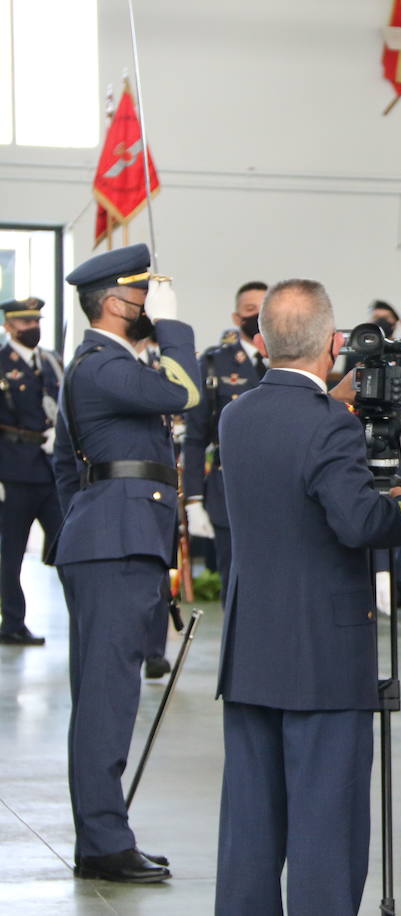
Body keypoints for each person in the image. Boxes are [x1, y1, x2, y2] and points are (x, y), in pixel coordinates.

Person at [213, 279, 401, 914]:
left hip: (251, 651)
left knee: (251, 823)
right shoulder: (329, 423)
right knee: (325, 826)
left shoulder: (237, 413)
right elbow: (357, 523)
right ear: (334, 343)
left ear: (261, 341)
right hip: (323, 659)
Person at [53, 243, 200, 883]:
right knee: (107, 698)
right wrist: (174, 328)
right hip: (114, 543)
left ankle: (104, 836)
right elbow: (186, 392)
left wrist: (89, 520)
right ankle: (104, 844)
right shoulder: (102, 364)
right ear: (116, 302)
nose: (149, 302)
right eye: (143, 293)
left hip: (111, 537)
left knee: (106, 695)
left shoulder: (101, 365)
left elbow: (65, 467)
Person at [182, 281, 269, 582]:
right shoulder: (213, 363)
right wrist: (193, 500)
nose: (257, 315)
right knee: (236, 583)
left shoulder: (289, 356)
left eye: (263, 308)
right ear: (236, 318)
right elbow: (194, 437)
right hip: (229, 486)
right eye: (249, 309)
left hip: (280, 487)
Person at [0, 298, 61, 647]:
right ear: (9, 327)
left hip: (49, 468)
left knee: (66, 545)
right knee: (12, 552)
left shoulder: (50, 362)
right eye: (24, 323)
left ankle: (84, 613)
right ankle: (12, 622)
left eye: (36, 321)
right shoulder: (1, 363)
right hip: (13, 468)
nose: (32, 328)